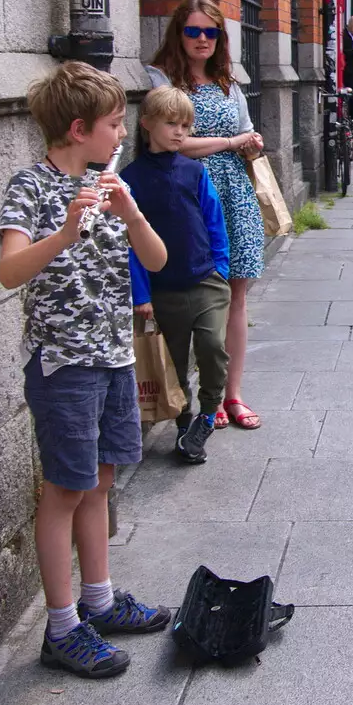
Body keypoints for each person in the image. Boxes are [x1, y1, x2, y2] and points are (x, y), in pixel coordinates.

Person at [0, 62, 172, 678]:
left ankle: (98, 600)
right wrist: (67, 231)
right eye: (115, 124)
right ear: (78, 128)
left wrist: (130, 213)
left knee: (100, 483)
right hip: (64, 365)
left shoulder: (109, 182)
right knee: (65, 490)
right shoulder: (32, 188)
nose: (122, 134)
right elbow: (11, 271)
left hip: (114, 357)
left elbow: (156, 257)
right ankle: (62, 625)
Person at [147, 0, 267, 431]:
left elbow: (243, 131)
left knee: (236, 295)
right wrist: (233, 142)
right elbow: (172, 143)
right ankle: (203, 396)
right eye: (193, 31)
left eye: (210, 32)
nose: (202, 40)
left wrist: (250, 142)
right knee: (197, 297)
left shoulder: (227, 82)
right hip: (187, 194)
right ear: (178, 34)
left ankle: (230, 395)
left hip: (234, 192)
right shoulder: (161, 79)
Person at [121, 85, 231, 465]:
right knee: (175, 362)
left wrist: (221, 265)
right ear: (147, 123)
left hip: (206, 281)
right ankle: (186, 426)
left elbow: (213, 218)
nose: (180, 132)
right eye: (171, 123)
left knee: (213, 348)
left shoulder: (194, 170)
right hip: (163, 289)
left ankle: (208, 412)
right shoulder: (130, 179)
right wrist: (141, 294)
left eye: (186, 125)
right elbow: (130, 244)